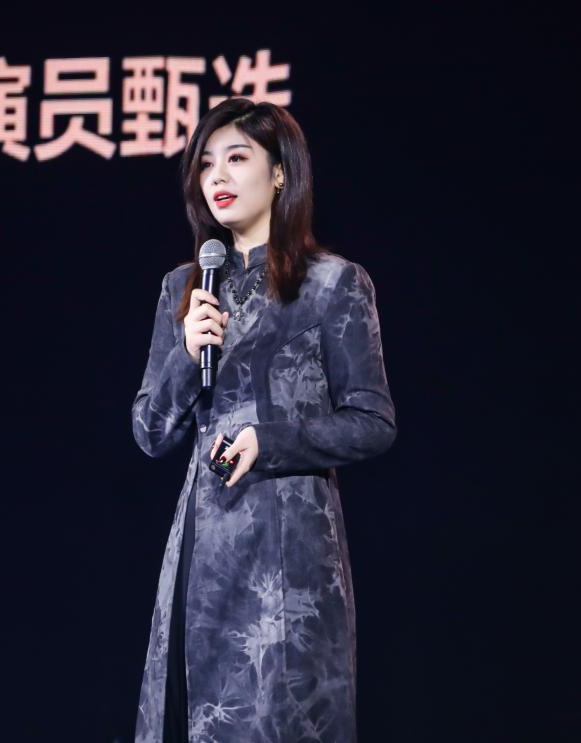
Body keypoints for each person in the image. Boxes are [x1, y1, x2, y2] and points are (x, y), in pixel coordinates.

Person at [131, 98, 396, 742]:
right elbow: (149, 431)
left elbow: (372, 421)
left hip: (289, 550)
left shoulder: (332, 283)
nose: (217, 176)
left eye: (237, 158)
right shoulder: (185, 287)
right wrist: (187, 355)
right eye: (206, 164)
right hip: (203, 545)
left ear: (280, 173)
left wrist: (270, 440)